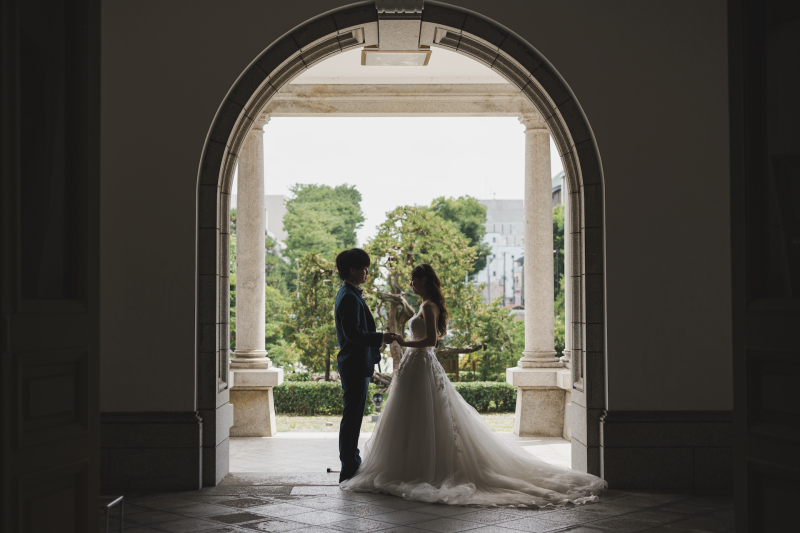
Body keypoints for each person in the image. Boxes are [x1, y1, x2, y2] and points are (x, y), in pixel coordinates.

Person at [340, 263, 607, 507]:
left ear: (424, 280)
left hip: (421, 364)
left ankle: (422, 469)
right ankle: (409, 465)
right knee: (412, 417)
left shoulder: (429, 307)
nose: (411, 284)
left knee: (426, 415)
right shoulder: (424, 305)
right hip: (415, 366)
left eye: (414, 279)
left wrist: (403, 342)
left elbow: (431, 341)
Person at [334, 248, 399, 483]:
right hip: (354, 364)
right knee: (352, 418)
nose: (367, 273)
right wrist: (381, 337)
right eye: (364, 268)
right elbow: (353, 334)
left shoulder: (349, 293)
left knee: (353, 416)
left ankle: (351, 462)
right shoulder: (349, 297)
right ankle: (349, 467)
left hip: (355, 363)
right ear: (352, 270)